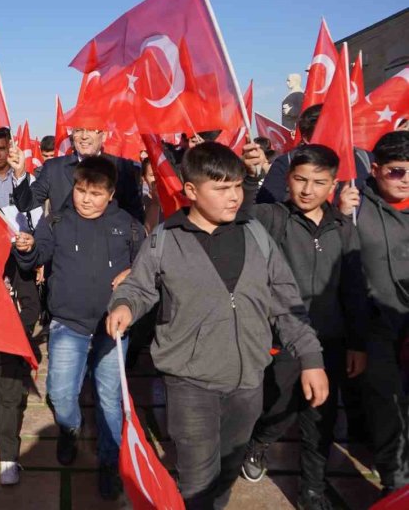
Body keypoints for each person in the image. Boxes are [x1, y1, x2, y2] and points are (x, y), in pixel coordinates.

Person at [106, 142, 328, 510]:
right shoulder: (165, 240)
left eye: (238, 186)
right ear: (191, 191)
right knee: (196, 476)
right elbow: (139, 285)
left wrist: (310, 357)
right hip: (190, 383)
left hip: (248, 381)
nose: (234, 197)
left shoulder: (257, 235)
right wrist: (125, 306)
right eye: (222, 188)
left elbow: (287, 303)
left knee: (227, 468)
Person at [238, 144, 368, 510]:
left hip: (330, 339)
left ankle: (312, 490)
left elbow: (354, 288)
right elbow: (238, 215)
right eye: (300, 179)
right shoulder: (272, 218)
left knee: (320, 418)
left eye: (319, 182)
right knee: (279, 405)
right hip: (282, 338)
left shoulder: (344, 229)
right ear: (288, 179)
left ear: (334, 185)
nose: (308, 190)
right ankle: (259, 443)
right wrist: (250, 178)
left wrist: (357, 342)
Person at [13, 156, 145, 500]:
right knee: (59, 393)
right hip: (67, 326)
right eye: (81, 190)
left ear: (111, 193)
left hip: (111, 329)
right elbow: (37, 255)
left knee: (109, 401)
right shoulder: (56, 220)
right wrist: (26, 249)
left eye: (96, 193)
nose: (86, 198)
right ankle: (70, 429)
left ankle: (108, 461)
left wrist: (133, 274)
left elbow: (147, 268)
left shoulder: (129, 225)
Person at [339, 130, 409, 498]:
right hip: (375, 325)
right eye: (397, 171)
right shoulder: (354, 206)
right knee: (386, 405)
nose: (406, 179)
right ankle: (395, 484)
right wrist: (339, 216)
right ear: (377, 170)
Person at [10, 126, 144, 223]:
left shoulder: (122, 168)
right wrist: (20, 173)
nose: (84, 136)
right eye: (78, 130)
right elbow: (26, 204)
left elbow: (135, 219)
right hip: (63, 252)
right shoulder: (54, 168)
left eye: (91, 129)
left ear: (103, 135)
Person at [255, 106, 373, 204]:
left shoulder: (364, 159)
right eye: (301, 180)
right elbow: (267, 207)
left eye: (337, 132)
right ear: (307, 138)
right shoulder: (287, 163)